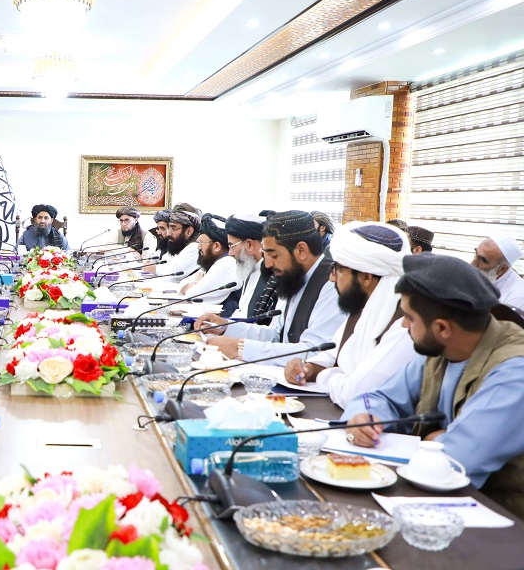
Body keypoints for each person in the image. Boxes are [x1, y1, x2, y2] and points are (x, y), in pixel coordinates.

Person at [341, 253, 524, 519]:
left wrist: (436, 444)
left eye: (409, 317)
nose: (403, 324)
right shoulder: (441, 350)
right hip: (436, 507)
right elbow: (379, 397)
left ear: (442, 328)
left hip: (500, 525)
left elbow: (452, 461)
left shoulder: (514, 372)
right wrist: (365, 418)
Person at [284, 222, 417, 407]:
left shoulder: (405, 324)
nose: (331, 278)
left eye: (338, 269)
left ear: (366, 277)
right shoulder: (364, 307)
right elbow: (333, 353)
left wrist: (325, 375)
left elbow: (355, 394)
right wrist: (308, 367)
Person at [197, 210, 346, 366]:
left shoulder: (332, 284)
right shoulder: (293, 277)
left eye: (274, 255)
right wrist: (225, 327)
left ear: (301, 250)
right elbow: (276, 335)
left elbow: (315, 353)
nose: (267, 264)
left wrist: (239, 348)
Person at [225, 214, 277, 323]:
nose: (230, 253)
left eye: (232, 246)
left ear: (249, 244)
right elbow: (242, 312)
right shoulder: (249, 267)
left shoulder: (272, 276)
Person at [178, 214, 239, 308]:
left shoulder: (226, 263)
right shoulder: (211, 263)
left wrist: (194, 285)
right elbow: (180, 285)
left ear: (217, 246)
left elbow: (192, 296)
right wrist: (194, 285)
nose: (199, 247)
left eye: (201, 242)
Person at [471, 235, 524, 309]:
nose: (472, 264)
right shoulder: (482, 275)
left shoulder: (517, 297)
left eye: (483, 260)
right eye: (476, 254)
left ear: (502, 269)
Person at [159, 209, 200, 282]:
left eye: (174, 228)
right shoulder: (179, 244)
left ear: (189, 231)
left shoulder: (195, 247)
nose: (168, 233)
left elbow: (170, 276)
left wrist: (155, 269)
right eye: (169, 228)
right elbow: (165, 259)